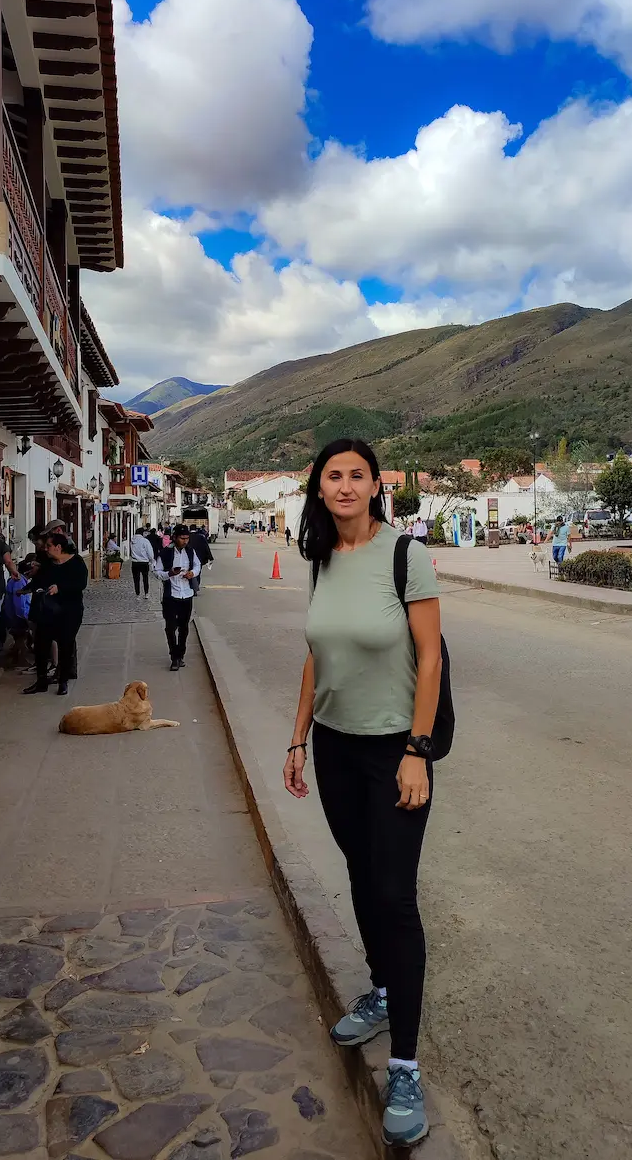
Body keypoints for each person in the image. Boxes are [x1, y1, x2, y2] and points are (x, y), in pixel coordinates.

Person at [284, 438, 442, 1147]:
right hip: (333, 746)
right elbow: (317, 657)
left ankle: (404, 1064)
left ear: (377, 484)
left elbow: (430, 657)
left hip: (392, 749)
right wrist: (296, 739)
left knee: (394, 893)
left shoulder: (406, 554)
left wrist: (417, 750)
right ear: (319, 489)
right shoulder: (320, 557)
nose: (344, 485)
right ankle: (380, 986)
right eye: (332, 476)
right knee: (357, 871)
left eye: (356, 475)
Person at [24, 532, 88, 696]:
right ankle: (41, 680)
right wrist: (26, 588)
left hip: (70, 610)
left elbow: (80, 583)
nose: (46, 549)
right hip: (48, 610)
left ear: (58, 547)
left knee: (66, 645)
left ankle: (63, 681)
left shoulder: (76, 562)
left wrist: (60, 588)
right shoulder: (47, 563)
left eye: (49, 546)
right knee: (41, 644)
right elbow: (39, 581)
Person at [153, 524, 200, 671]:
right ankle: (174, 657)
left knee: (184, 627)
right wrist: (170, 574)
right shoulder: (165, 553)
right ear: (175, 537)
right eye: (182, 538)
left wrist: (192, 573)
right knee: (170, 627)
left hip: (186, 594)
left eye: (187, 538)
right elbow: (156, 572)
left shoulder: (191, 552)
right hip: (171, 595)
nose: (185, 541)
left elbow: (198, 566)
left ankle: (181, 654)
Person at [1, 556, 40, 667]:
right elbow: (19, 605)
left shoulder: (20, 580)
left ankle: (15, 657)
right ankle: (21, 658)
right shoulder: (19, 582)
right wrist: (26, 618)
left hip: (13, 614)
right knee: (22, 636)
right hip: (16, 616)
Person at [130, 525, 155, 598]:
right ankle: (146, 593)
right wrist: (151, 559)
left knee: (136, 579)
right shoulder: (145, 541)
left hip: (134, 562)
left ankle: (137, 594)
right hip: (144, 562)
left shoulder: (132, 541)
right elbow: (150, 552)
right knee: (145, 578)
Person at [188, 524, 213, 595]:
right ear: (196, 529)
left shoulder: (186, 537)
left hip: (188, 558)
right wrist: (210, 557)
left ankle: (190, 587)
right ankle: (196, 588)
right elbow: (206, 547)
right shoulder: (200, 537)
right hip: (199, 559)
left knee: (189, 572)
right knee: (197, 573)